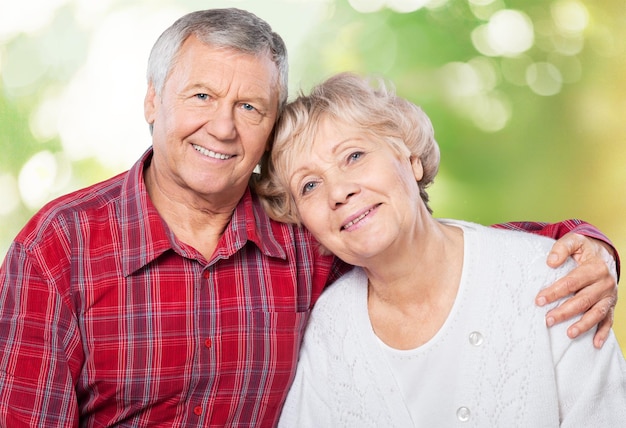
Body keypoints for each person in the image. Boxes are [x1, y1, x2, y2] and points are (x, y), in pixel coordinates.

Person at [0, 8, 619, 428]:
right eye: (201, 97)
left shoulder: (300, 234)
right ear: (152, 101)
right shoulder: (58, 250)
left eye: (250, 106)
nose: (222, 126)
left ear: (269, 128)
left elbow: (419, 243)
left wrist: (583, 247)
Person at [254, 72, 626, 427]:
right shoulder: (329, 329)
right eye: (309, 186)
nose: (338, 192)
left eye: (354, 156)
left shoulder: (551, 282)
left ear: (411, 160)